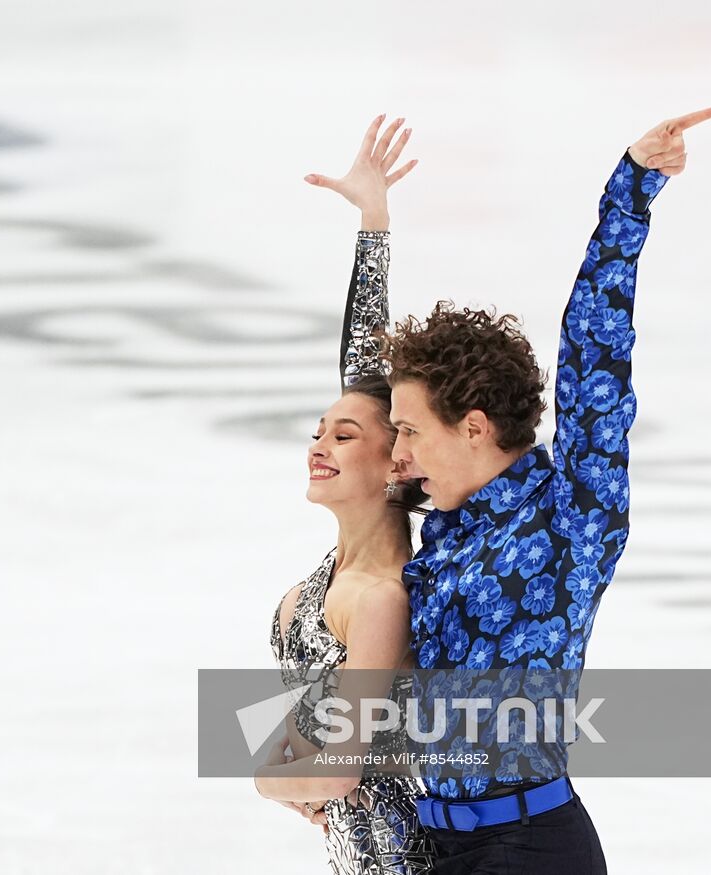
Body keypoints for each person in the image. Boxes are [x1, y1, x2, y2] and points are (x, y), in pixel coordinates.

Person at [376, 106, 711, 874]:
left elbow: (595, 352)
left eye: (411, 431)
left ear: (472, 426)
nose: (396, 451)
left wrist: (629, 192)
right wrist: (372, 224)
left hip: (531, 847)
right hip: (433, 845)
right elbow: (356, 409)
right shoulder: (442, 522)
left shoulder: (573, 514)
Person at [253, 114, 434, 875]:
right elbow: (364, 366)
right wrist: (373, 221)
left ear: (398, 463)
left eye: (344, 437)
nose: (319, 444)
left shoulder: (383, 594)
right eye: (318, 430)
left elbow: (333, 770)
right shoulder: (328, 583)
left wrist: (267, 769)